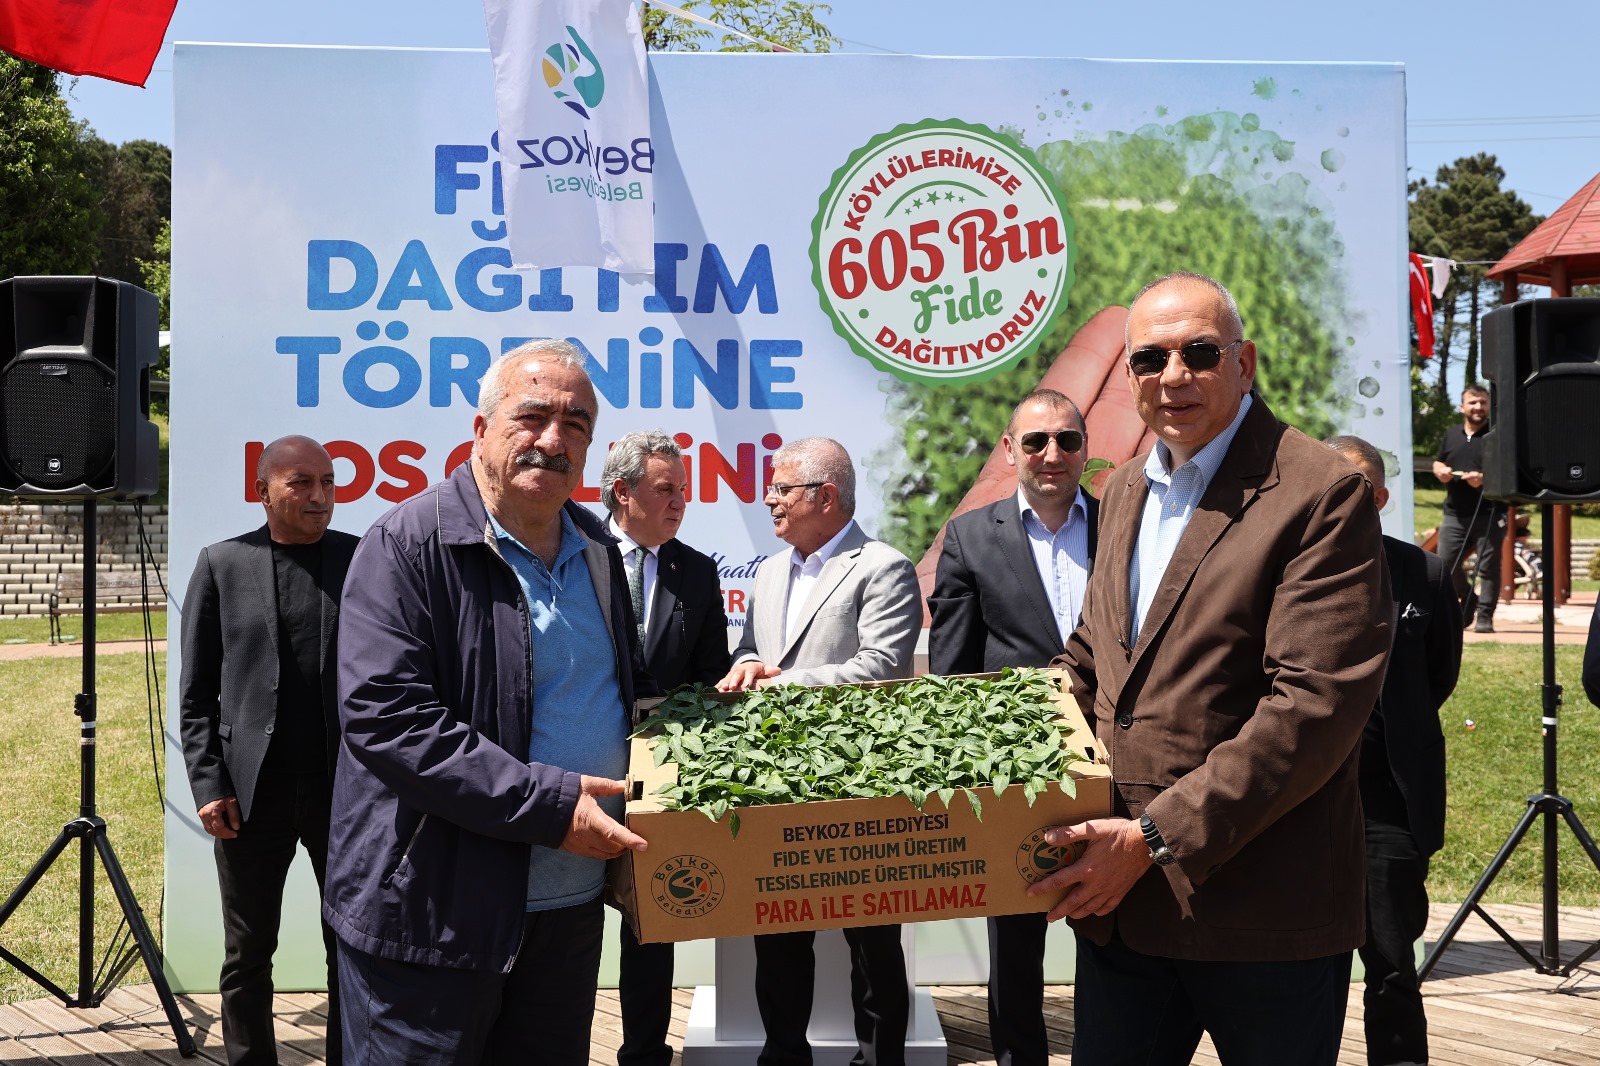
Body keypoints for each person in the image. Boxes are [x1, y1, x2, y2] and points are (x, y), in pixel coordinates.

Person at [1035, 272, 1393, 1065]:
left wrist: (1154, 838)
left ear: (1245, 363)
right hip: (1123, 909)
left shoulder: (1321, 492)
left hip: (1263, 916)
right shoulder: (1123, 488)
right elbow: (1095, 655)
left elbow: (1312, 708)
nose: (1173, 376)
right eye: (1149, 358)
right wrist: (1000, 732)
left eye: (1198, 352)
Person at [323, 341, 650, 1065]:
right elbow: (389, 719)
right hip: (432, 917)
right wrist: (551, 808)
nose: (553, 440)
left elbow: (607, 694)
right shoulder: (407, 544)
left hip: (566, 914)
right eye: (532, 416)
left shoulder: (597, 547)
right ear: (481, 429)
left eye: (575, 424)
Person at [716, 436, 921, 1066]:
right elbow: (751, 648)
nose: (769, 499)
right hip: (777, 779)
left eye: (781, 488)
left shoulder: (883, 566)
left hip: (860, 782)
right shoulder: (770, 570)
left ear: (825, 496)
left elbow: (883, 669)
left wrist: (783, 684)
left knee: (873, 942)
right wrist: (747, 665)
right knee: (777, 937)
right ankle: (783, 1055)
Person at [927, 388, 1098, 1066]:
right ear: (1009, 450)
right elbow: (952, 672)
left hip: (1119, 756)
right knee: (1017, 933)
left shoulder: (1126, 525)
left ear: (1085, 449)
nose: (1052, 454)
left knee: (1112, 931)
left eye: (1067, 440)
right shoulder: (970, 536)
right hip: (1015, 766)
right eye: (1035, 441)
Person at [178, 435, 356, 1066]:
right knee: (248, 952)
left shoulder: (360, 559)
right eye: (300, 483)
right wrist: (209, 786)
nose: (319, 496)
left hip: (345, 794)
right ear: (263, 491)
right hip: (250, 797)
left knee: (351, 948)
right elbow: (196, 694)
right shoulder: (223, 564)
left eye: (328, 483)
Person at [1328, 434, 1461, 1066]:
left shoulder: (1425, 575)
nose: (1343, 501)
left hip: (1389, 806)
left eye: (1357, 489)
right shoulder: (1280, 570)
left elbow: (1437, 677)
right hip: (1301, 804)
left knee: (1389, 963)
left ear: (1381, 498)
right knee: (1306, 968)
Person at [600, 430, 731, 1066]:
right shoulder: (575, 553)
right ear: (622, 492)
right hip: (576, 765)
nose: (680, 502)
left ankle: (645, 1053)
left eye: (684, 489)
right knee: (562, 922)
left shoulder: (697, 571)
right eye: (665, 489)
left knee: (650, 922)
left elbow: (709, 675)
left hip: (659, 770)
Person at [1432, 384, 1507, 632]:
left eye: (1483, 402)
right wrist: (1440, 471)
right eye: (1473, 402)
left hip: (1490, 512)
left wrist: (1484, 479)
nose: (1478, 407)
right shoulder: (1451, 434)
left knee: (1488, 567)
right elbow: (1438, 461)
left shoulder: (1497, 435)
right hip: (1454, 513)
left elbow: (1511, 472)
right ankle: (1468, 597)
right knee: (1445, 564)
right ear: (1462, 407)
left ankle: (1485, 617)